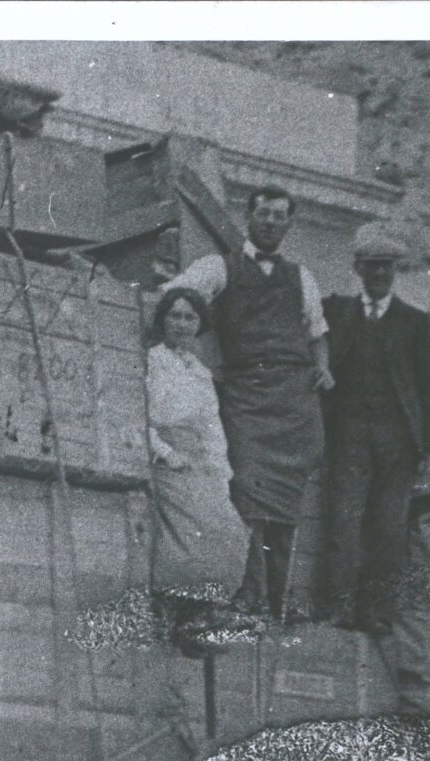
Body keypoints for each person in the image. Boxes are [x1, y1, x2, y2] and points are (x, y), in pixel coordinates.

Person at [166, 187, 336, 621]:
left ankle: (274, 604)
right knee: (247, 497)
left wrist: (323, 368)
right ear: (249, 217)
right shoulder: (219, 269)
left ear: (288, 224)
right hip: (248, 401)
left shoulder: (302, 277)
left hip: (294, 405)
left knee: (286, 511)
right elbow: (177, 296)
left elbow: (317, 333)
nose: (271, 222)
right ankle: (249, 595)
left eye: (280, 216)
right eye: (264, 214)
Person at [319, 228, 430, 635]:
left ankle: (376, 612)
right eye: (372, 267)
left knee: (389, 529)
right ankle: (338, 607)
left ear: (395, 272)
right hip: (348, 433)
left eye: (387, 268)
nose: (380, 274)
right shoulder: (336, 311)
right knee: (343, 520)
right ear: (358, 269)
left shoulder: (414, 321)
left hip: (397, 442)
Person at [145, 286, 251, 612]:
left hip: (198, 462)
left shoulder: (201, 373)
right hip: (163, 458)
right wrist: (167, 453)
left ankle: (207, 614)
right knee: (192, 526)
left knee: (229, 526)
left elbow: (211, 427)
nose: (182, 323)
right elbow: (140, 415)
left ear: (199, 324)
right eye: (174, 315)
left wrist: (219, 472)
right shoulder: (151, 362)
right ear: (163, 320)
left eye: (190, 317)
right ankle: (182, 610)